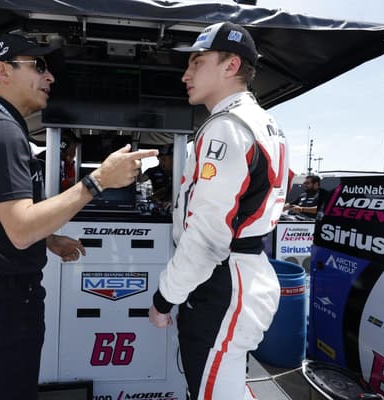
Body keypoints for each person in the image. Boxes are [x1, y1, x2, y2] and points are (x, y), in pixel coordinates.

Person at [0, 33, 158, 400]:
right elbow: (19, 230)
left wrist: (48, 239)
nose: (50, 78)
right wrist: (98, 181)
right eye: (39, 66)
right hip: (7, 297)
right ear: (3, 70)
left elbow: (1, 218)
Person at [148, 22, 290, 400]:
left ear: (230, 65)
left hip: (225, 282)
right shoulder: (262, 121)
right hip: (242, 275)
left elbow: (208, 237)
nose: (185, 75)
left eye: (197, 62)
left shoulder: (227, 127)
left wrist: (165, 298)